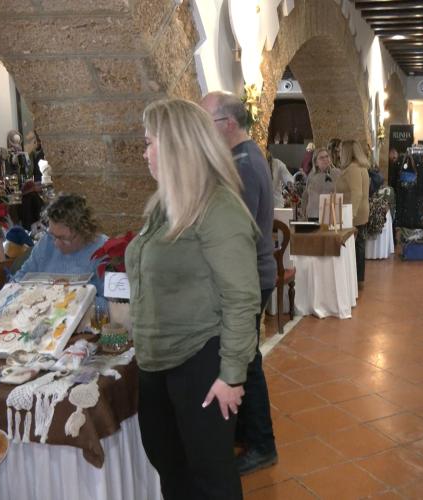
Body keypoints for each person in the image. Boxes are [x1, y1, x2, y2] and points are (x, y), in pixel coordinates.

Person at [129, 98, 259, 499]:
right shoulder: (163, 207)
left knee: (210, 480)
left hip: (200, 362)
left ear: (175, 147)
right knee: (172, 471)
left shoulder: (218, 208)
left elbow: (242, 298)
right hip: (156, 361)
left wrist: (231, 375)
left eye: (150, 142)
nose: (145, 151)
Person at [199, 91, 278, 475]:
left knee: (247, 362)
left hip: (249, 278)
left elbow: (234, 232)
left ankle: (262, 445)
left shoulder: (243, 164)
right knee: (248, 359)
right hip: (252, 275)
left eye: (205, 122)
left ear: (227, 124)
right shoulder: (240, 158)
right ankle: (248, 434)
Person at [13, 194, 107, 297]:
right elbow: (20, 278)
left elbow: (111, 303)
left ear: (84, 231)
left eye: (63, 238)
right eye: (53, 235)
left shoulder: (103, 250)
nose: (56, 244)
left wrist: (83, 301)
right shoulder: (47, 241)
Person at [337, 140, 370, 287]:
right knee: (359, 246)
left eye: (340, 150)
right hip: (358, 211)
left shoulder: (353, 168)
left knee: (356, 247)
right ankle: (358, 279)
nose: (338, 153)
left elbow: (357, 193)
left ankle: (356, 280)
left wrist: (350, 216)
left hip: (354, 213)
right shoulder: (360, 167)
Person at [302, 147, 340, 219]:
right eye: (321, 158)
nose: (325, 159)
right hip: (313, 214)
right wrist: (303, 211)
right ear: (316, 162)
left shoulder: (336, 173)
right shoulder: (311, 175)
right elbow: (305, 195)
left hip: (330, 215)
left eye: (327, 156)